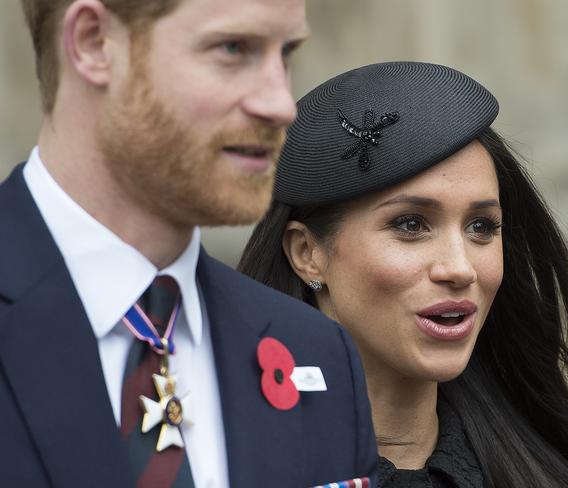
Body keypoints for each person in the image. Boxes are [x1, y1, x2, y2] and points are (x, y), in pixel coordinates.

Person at [0, 1, 377, 486]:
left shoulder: (316, 353)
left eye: (285, 53)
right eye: (233, 49)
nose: (282, 103)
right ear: (94, 42)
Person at [239, 62, 568, 487]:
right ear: (307, 253)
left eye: (482, 227)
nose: (459, 267)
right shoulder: (218, 463)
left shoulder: (544, 475)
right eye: (411, 224)